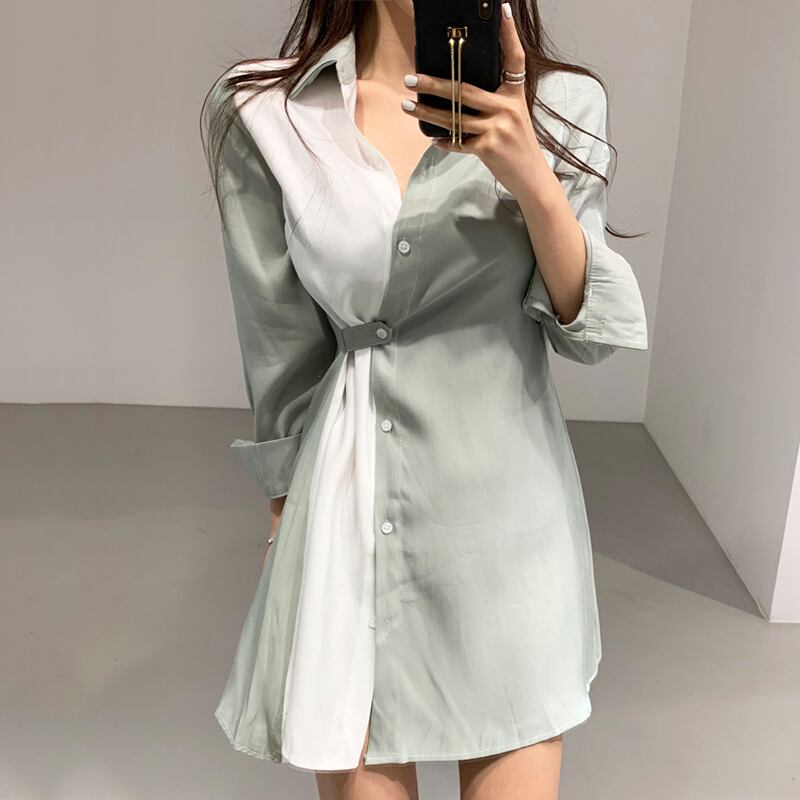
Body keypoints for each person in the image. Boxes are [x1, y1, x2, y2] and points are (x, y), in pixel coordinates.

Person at [200, 1, 648, 798]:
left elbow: (588, 337)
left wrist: (532, 178)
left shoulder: (561, 106)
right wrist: (283, 527)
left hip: (511, 533)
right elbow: (280, 351)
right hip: (348, 526)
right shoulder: (268, 114)